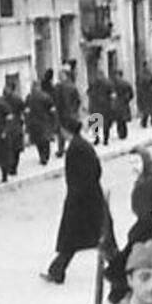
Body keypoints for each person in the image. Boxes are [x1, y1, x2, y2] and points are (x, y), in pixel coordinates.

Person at [42, 117, 104, 284]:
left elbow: (89, 172)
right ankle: (57, 271)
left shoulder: (77, 148)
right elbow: (96, 170)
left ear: (66, 130)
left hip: (81, 200)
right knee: (83, 236)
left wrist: (78, 193)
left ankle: (119, 268)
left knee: (81, 236)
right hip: (87, 198)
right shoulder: (81, 145)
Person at [107, 146, 152, 304]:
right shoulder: (146, 180)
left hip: (147, 229)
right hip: (143, 227)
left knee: (127, 264)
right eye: (131, 163)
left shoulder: (151, 182)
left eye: (136, 162)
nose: (133, 166)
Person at [24, 76, 57, 165]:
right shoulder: (46, 96)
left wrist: (27, 123)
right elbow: (52, 110)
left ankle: (42, 156)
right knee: (45, 140)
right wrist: (53, 121)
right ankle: (45, 156)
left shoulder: (29, 98)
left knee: (38, 141)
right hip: (45, 122)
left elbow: (26, 112)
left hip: (34, 123)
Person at [55, 64, 83, 157]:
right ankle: (77, 147)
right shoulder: (72, 86)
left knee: (62, 132)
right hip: (72, 113)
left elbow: (57, 101)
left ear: (64, 75)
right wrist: (75, 110)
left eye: (60, 74)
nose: (59, 76)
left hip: (63, 113)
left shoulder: (59, 87)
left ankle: (61, 149)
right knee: (73, 131)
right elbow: (78, 100)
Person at [2, 79, 26, 176]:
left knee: (14, 148)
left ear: (11, 88)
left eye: (6, 88)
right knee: (12, 148)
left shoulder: (15, 99)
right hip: (12, 126)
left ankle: (13, 167)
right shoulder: (4, 100)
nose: (4, 89)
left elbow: (23, 110)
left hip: (13, 126)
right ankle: (11, 167)